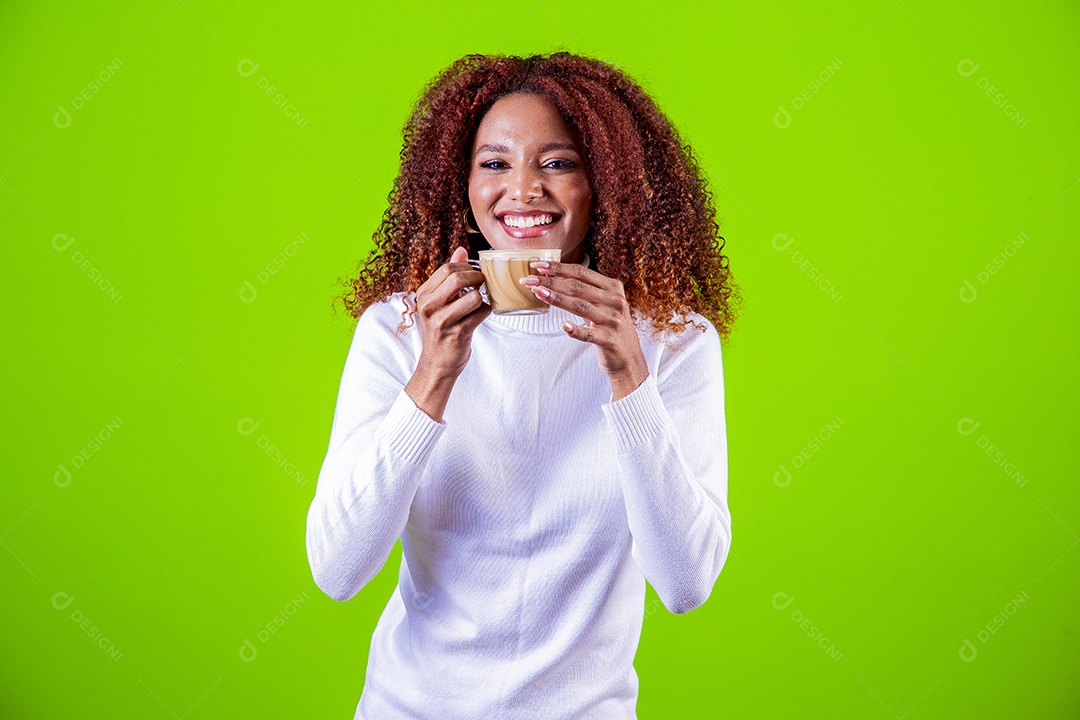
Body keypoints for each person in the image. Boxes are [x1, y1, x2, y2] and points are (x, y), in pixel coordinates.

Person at [305, 51, 741, 719]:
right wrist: (434, 373)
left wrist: (629, 377)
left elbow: (685, 583)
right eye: (495, 163)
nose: (524, 189)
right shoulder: (400, 331)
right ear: (462, 184)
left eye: (558, 163)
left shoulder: (672, 342)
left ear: (606, 183)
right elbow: (337, 570)